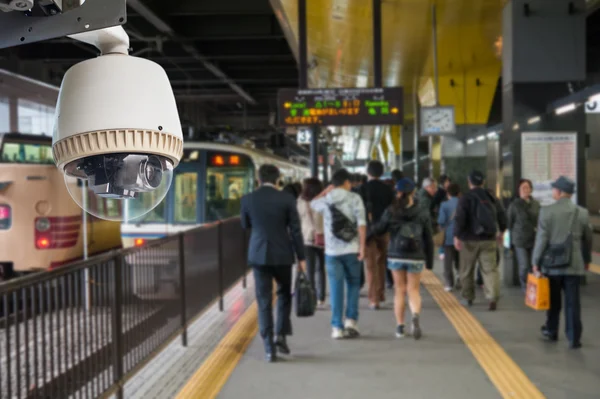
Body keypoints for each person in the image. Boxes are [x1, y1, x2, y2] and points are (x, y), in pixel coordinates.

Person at [240, 164, 306, 362]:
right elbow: (295, 230)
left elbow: (245, 225)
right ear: (278, 180)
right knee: (284, 294)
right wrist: (301, 257)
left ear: (259, 179)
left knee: (264, 300)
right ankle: (281, 336)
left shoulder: (248, 199)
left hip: (259, 255)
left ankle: (269, 347)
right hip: (283, 255)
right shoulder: (287, 199)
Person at [370, 177, 433, 339]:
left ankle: (400, 327)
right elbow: (428, 237)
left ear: (397, 192)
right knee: (413, 290)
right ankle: (416, 316)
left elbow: (380, 229)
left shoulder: (391, 210)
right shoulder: (422, 210)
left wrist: (367, 231)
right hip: (416, 255)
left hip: (396, 254)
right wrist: (430, 261)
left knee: (400, 290)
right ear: (414, 192)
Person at [532, 176, 592, 349]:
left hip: (552, 264)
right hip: (574, 264)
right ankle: (574, 337)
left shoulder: (547, 212)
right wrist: (586, 259)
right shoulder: (582, 212)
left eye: (554, 190)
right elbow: (587, 240)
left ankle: (551, 330)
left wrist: (535, 261)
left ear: (558, 192)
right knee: (573, 302)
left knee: (553, 300)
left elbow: (541, 240)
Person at [311, 169, 367, 339]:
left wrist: (325, 191)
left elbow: (313, 202)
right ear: (347, 182)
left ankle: (337, 327)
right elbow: (362, 224)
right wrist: (362, 247)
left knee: (336, 288)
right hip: (352, 249)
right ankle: (351, 321)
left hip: (332, 252)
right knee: (353, 285)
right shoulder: (354, 198)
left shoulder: (326, 199)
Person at [453, 170, 506, 310]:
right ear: (483, 182)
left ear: (469, 182)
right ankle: (492, 297)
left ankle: (467, 297)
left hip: (468, 239)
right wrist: (502, 231)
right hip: (489, 238)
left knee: (466, 270)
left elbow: (460, 219)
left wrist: (456, 236)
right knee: (490, 270)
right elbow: (501, 214)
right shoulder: (491, 196)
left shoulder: (465, 198)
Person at [358, 160, 395, 309]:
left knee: (370, 265)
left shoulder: (362, 188)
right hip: (384, 230)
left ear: (368, 172)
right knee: (381, 262)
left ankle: (374, 300)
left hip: (367, 230)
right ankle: (380, 294)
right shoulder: (388, 189)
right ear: (382, 172)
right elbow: (392, 210)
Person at [507, 179, 541, 291]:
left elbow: (540, 221)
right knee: (524, 265)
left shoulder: (536, 204)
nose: (526, 190)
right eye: (523, 188)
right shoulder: (514, 205)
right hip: (520, 240)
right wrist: (509, 243)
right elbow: (509, 223)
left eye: (528, 187)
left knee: (533, 266)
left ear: (531, 189)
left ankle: (532, 287)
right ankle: (524, 286)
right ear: (519, 190)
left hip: (534, 239)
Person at [297, 178, 326, 306]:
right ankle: (321, 298)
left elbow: (298, 219)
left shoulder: (300, 201)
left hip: (307, 238)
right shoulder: (323, 200)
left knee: (310, 269)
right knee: (321, 269)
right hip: (322, 238)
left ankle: (312, 299)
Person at [437, 183, 461, 291]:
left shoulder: (444, 205)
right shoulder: (463, 203)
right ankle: (461, 278)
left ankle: (449, 284)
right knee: (460, 260)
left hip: (448, 237)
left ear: (448, 194)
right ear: (459, 193)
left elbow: (441, 221)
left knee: (448, 262)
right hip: (461, 236)